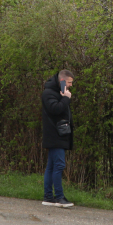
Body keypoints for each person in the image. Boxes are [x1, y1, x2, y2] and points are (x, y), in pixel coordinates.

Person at [41, 70, 75, 208]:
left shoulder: (58, 93)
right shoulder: (48, 93)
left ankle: (48, 197)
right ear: (61, 81)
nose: (71, 85)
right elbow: (55, 109)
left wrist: (64, 97)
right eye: (69, 82)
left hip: (59, 135)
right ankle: (59, 197)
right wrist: (66, 98)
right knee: (59, 165)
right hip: (54, 135)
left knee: (51, 166)